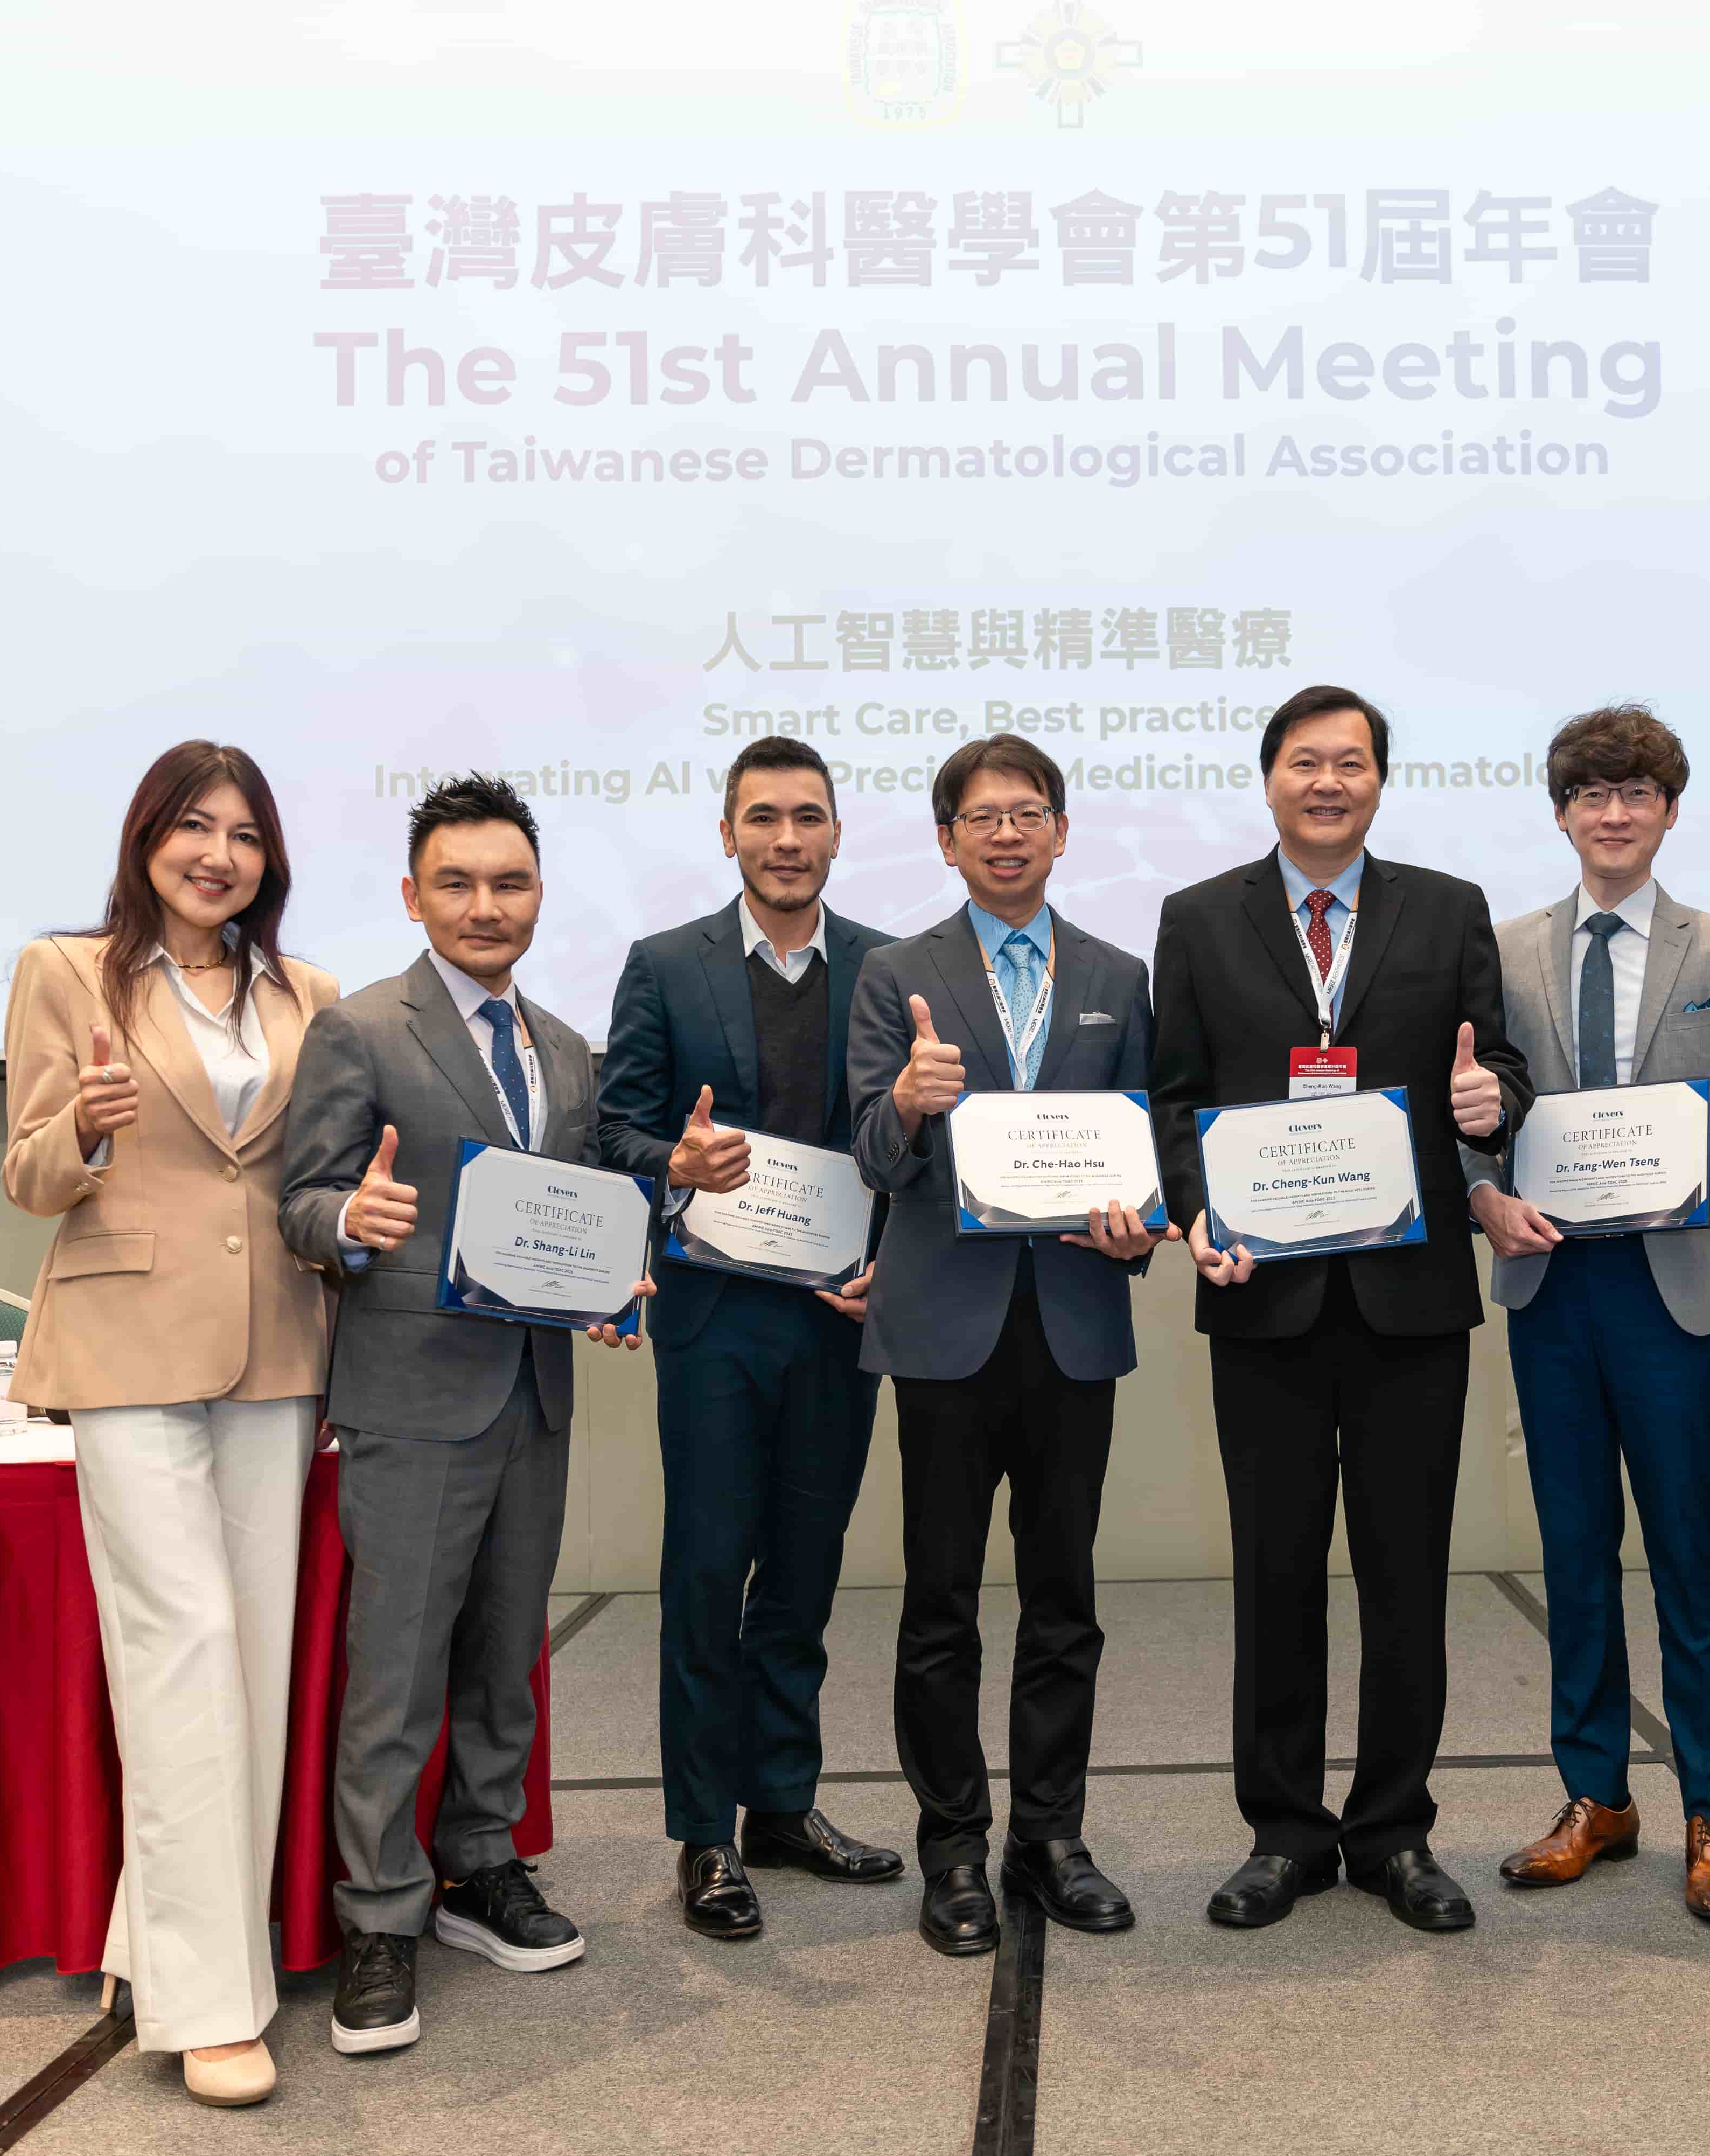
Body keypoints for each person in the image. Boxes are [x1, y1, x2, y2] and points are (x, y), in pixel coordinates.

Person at [1150, 685, 1533, 1936]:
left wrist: (1493, 1102)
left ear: (1380, 781)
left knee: (1405, 1576)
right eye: (1306, 762)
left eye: (1351, 763)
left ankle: (1394, 1832)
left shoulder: (1447, 908)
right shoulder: (1198, 919)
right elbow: (1174, 1094)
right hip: (1261, 1296)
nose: (1328, 783)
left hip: (1409, 1300)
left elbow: (1498, 1067)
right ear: (1270, 778)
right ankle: (1284, 1834)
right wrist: (1197, 1213)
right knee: (1275, 1576)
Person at [280, 771, 648, 2056]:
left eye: (509, 882)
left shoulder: (567, 1048)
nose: (486, 905)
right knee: (396, 1672)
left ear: (539, 895)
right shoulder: (361, 1030)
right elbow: (302, 1200)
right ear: (413, 896)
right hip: (411, 1395)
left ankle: (481, 1864)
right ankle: (380, 1916)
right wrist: (350, 1219)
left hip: (534, 1391)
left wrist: (612, 1285)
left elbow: (580, 1211)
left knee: (504, 1654)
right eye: (458, 883)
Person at [1, 741, 332, 2109]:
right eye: (195, 827)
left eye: (245, 835)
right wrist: (80, 1126)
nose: (219, 855)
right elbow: (28, 1177)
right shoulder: (67, 972)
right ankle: (209, 2005)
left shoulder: (306, 994)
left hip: (279, 1345)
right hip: (126, 1341)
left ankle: (161, 1943)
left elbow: (310, 1174)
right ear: (147, 842)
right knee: (180, 1649)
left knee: (249, 1658)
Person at [1462, 704, 1710, 1923]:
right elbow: (1472, 1111)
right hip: (1552, 1283)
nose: (1613, 814)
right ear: (1561, 815)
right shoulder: (1504, 949)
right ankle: (1595, 1796)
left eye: (1636, 793)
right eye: (1591, 795)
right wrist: (1484, 1194)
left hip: (1674, 1288)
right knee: (1575, 1552)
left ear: (1669, 810)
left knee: (1690, 1552)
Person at [846, 734, 1162, 1956]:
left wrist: (1140, 1232)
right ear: (946, 841)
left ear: (1063, 832)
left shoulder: (1117, 974)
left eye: (1029, 813)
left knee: (1064, 1600)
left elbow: (1144, 1151)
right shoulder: (897, 974)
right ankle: (953, 1848)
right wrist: (906, 1103)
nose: (1007, 834)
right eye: (982, 817)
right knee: (939, 1604)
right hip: (943, 1329)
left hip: (1073, 1323)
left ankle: (1051, 1837)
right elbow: (873, 1156)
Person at [592, 737, 903, 1941]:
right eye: (763, 817)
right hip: (715, 1321)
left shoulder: (887, 968)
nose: (786, 838)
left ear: (837, 834)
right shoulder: (665, 965)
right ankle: (704, 1832)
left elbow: (907, 1146)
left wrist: (894, 1259)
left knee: (805, 1572)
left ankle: (781, 1801)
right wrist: (673, 1161)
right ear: (727, 834)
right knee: (710, 1572)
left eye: (807, 817)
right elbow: (618, 1128)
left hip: (837, 1317)